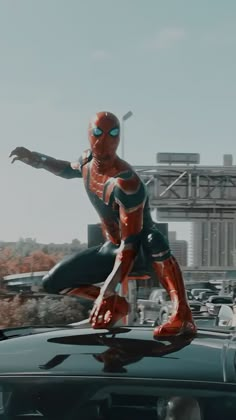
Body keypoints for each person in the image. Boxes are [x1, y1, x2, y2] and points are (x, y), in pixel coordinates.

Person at [9, 111, 196, 337]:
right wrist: (36, 159)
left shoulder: (126, 182)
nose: (105, 140)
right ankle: (116, 304)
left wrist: (107, 289)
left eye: (113, 133)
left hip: (140, 252)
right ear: (89, 134)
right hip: (111, 247)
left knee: (153, 238)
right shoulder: (86, 161)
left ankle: (182, 313)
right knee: (53, 282)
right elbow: (67, 169)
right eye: (98, 132)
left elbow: (130, 244)